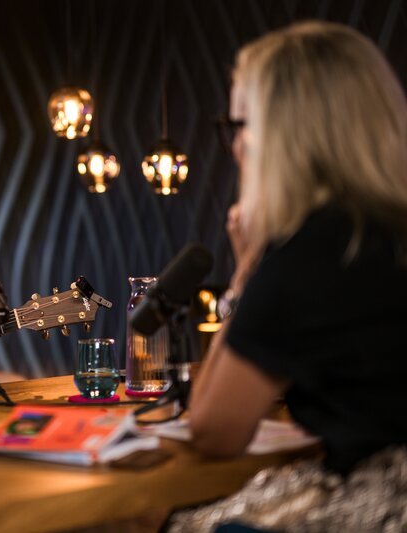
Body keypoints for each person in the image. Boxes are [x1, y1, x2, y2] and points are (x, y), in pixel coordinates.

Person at [180, 21, 407, 530]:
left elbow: (213, 430)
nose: (233, 147)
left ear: (275, 136)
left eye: (237, 127)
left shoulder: (311, 251)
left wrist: (245, 272)